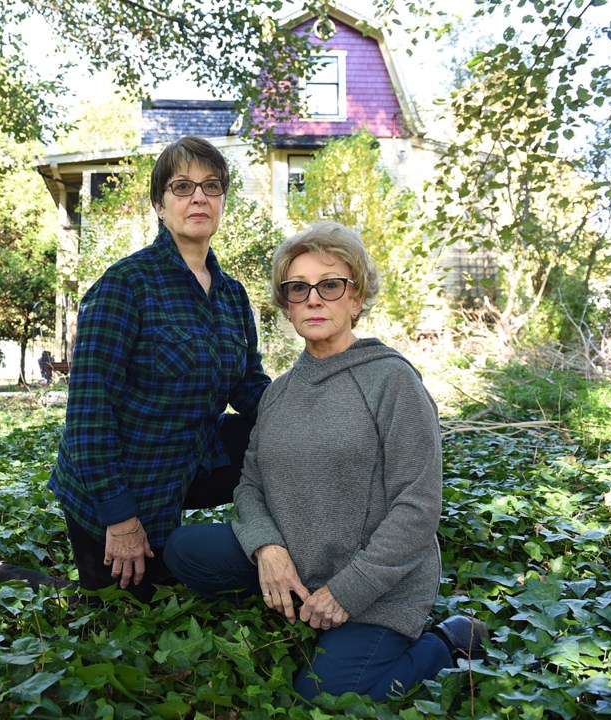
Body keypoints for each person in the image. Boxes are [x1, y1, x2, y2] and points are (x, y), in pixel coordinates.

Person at [163, 221, 488, 701]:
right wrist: (267, 550)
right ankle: (294, 598)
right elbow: (249, 486)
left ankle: (449, 639)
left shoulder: (391, 381)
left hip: (378, 583)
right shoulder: (278, 394)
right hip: (297, 558)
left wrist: (347, 592)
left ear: (356, 299)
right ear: (287, 305)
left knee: (324, 696)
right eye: (298, 288)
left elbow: (418, 506)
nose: (313, 299)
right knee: (183, 551)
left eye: (330, 285)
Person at [0, 136, 270, 603]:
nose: (198, 197)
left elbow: (249, 386)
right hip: (117, 482)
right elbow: (87, 418)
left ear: (223, 198)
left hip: (186, 464)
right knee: (117, 611)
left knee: (275, 435)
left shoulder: (231, 296)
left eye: (211, 185)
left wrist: (317, 410)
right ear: (160, 205)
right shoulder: (125, 287)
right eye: (182, 187)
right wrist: (120, 520)